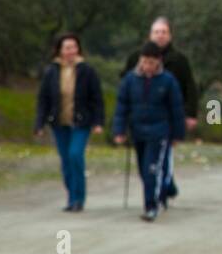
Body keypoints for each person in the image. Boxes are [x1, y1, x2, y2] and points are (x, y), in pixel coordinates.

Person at [123, 17, 198, 208]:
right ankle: (165, 186)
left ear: (170, 35)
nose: (160, 35)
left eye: (164, 32)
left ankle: (161, 192)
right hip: (142, 119)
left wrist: (190, 114)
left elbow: (190, 87)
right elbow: (126, 86)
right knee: (148, 163)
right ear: (150, 34)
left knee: (164, 158)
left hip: (168, 117)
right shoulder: (135, 58)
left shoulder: (179, 60)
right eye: (157, 32)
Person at [113, 42, 186, 222]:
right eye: (145, 62)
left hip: (159, 131)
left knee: (152, 169)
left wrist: (177, 134)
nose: (148, 66)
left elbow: (176, 109)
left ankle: (151, 206)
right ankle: (159, 194)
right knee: (142, 170)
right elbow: (122, 106)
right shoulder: (130, 80)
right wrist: (119, 130)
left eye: (151, 62)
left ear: (158, 61)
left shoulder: (168, 81)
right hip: (137, 130)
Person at [33, 32, 105, 212]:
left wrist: (98, 122)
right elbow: (43, 99)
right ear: (60, 50)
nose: (71, 51)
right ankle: (71, 197)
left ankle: (79, 198)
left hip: (81, 122)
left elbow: (97, 98)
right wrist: (39, 123)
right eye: (67, 48)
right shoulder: (51, 72)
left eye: (74, 47)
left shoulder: (87, 71)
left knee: (75, 155)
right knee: (65, 160)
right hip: (59, 122)